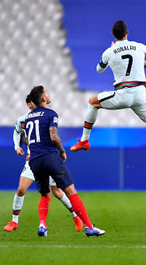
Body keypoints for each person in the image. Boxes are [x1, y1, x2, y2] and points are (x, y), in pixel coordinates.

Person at [69, 20, 146, 157]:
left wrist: (111, 56)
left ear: (112, 34)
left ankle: (84, 141)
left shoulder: (109, 51)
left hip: (123, 94)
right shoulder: (138, 46)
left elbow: (99, 70)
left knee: (92, 102)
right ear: (127, 32)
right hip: (140, 94)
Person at [26, 85, 105, 237]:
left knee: (44, 195)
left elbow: (28, 139)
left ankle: (42, 225)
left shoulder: (29, 117)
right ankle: (89, 227)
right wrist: (62, 151)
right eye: (47, 93)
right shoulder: (51, 114)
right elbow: (54, 137)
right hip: (49, 156)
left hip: (35, 161)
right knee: (71, 192)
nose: (48, 95)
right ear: (43, 98)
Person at [3, 95, 83, 232]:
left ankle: (76, 217)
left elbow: (53, 136)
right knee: (21, 189)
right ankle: (14, 221)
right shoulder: (24, 119)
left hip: (47, 158)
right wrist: (17, 146)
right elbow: (16, 131)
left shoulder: (47, 116)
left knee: (57, 192)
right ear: (29, 104)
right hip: (33, 159)